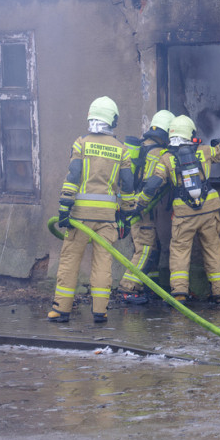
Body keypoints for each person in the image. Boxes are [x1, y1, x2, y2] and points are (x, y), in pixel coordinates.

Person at [48, 96, 136, 324]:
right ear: (112, 119)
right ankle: (100, 311)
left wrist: (64, 207)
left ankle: (61, 310)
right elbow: (128, 187)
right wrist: (126, 216)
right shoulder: (122, 151)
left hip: (79, 217)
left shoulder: (81, 143)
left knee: (69, 261)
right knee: (103, 263)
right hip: (107, 219)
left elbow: (73, 177)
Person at [135, 115, 220, 304]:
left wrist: (140, 203)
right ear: (190, 133)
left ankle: (179, 293)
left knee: (180, 252)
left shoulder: (166, 158)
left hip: (184, 213)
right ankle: (219, 293)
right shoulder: (204, 151)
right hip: (209, 209)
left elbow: (154, 184)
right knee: (213, 249)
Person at [117, 109, 175, 304]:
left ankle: (151, 286)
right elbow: (154, 183)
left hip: (135, 205)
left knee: (153, 246)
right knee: (146, 249)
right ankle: (129, 288)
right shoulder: (161, 154)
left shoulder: (142, 148)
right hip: (140, 208)